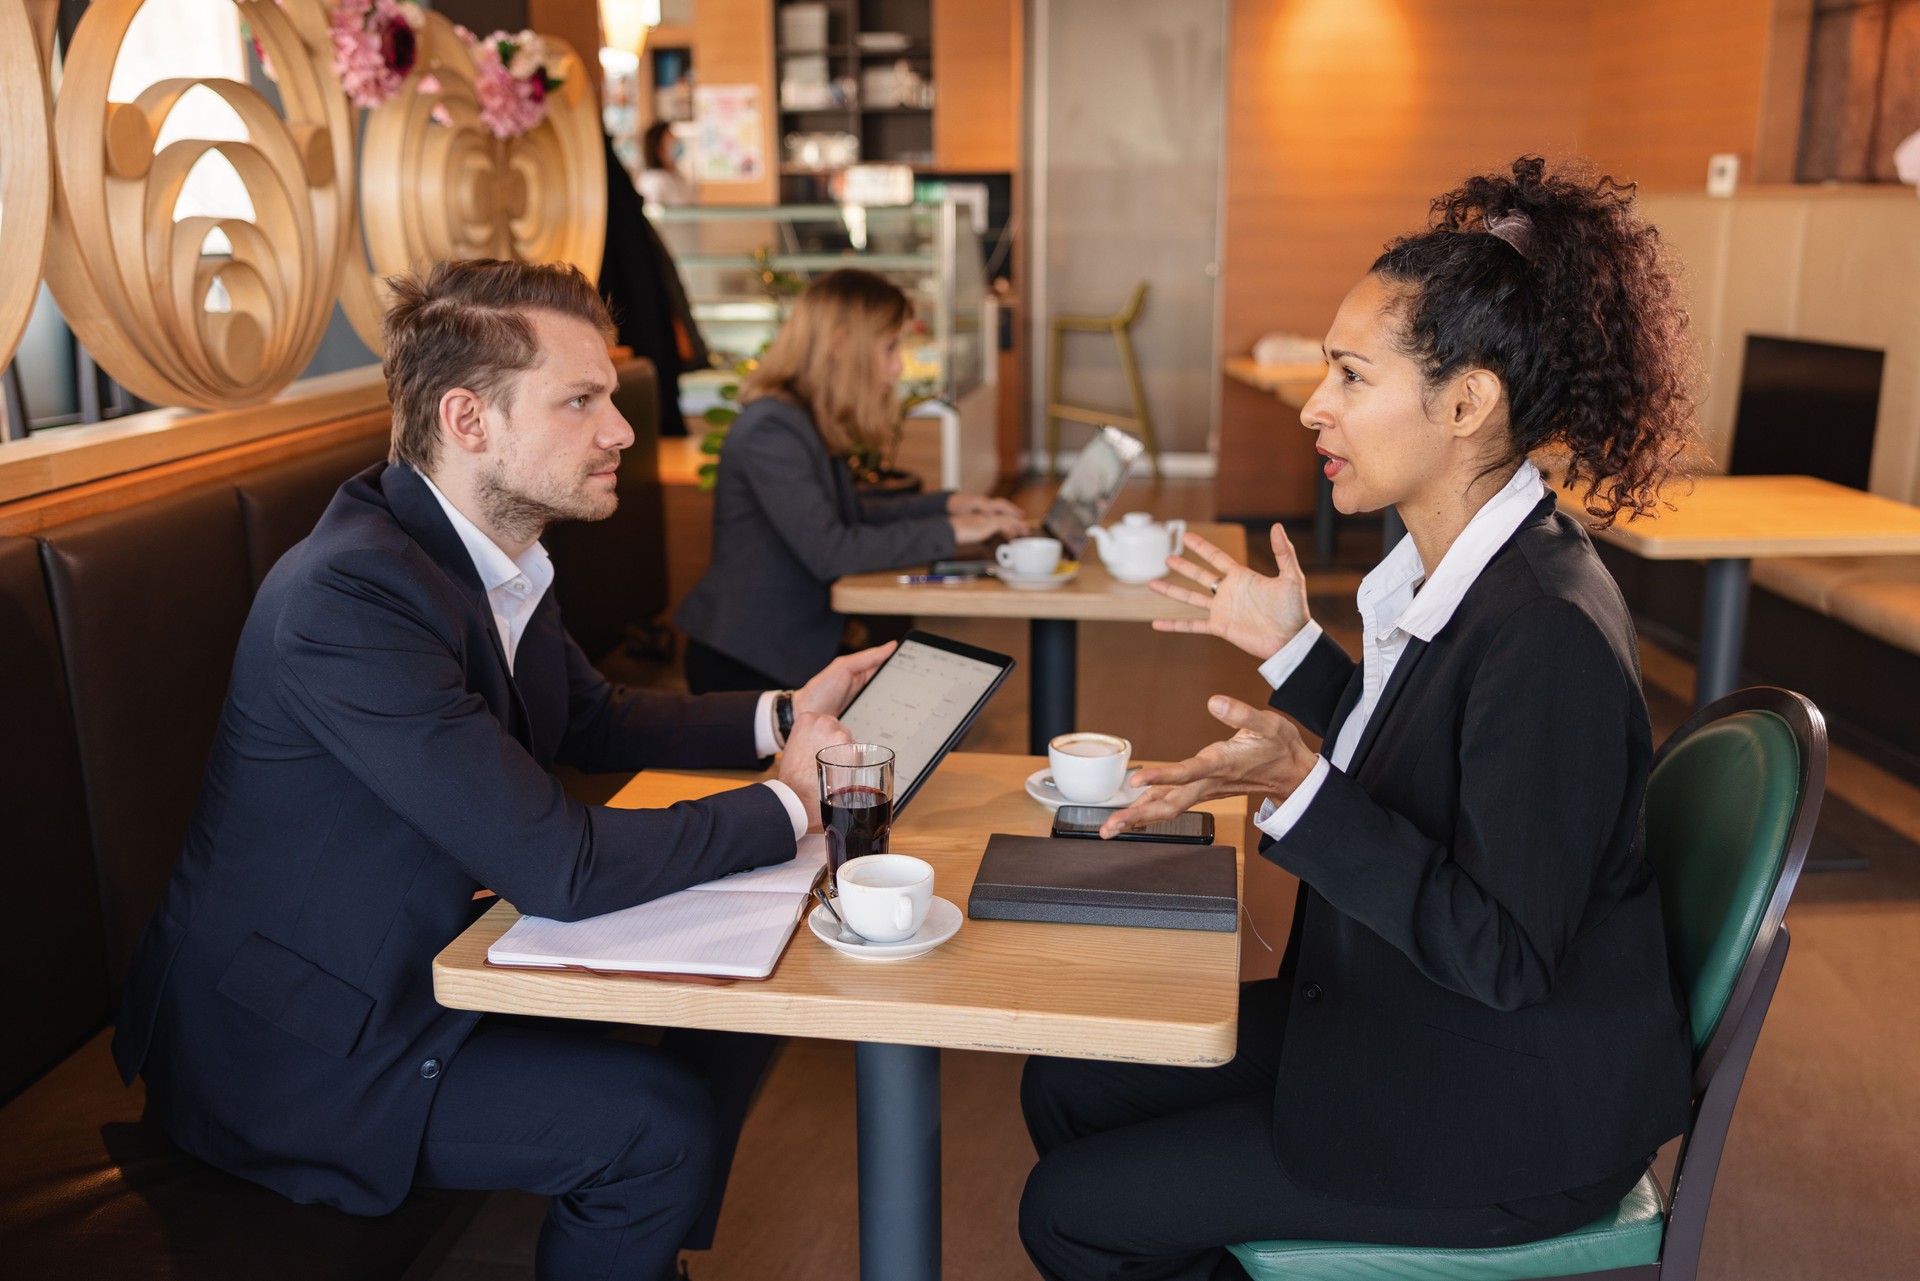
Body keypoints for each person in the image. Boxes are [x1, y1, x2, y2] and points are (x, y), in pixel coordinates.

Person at [112, 258, 888, 1281]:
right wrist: (792, 801)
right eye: (582, 401)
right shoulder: (351, 596)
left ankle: (632, 1256)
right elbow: (560, 868)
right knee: (655, 1126)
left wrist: (786, 712)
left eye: (610, 397)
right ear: (468, 421)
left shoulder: (484, 549)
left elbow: (596, 717)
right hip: (302, 1043)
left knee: (738, 1007)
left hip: (428, 959)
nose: (619, 429)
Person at [1016, 156, 1698, 1279]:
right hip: (1423, 1027)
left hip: (1503, 1114)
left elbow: (1507, 957)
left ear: (1467, 403)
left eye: (1348, 375)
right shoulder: (1476, 575)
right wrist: (1292, 649)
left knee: (1069, 1211)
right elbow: (1432, 763)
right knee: (1065, 1080)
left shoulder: (1547, 631)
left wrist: (1303, 788)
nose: (1311, 405)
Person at [676, 268, 1028, 693]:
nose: (898, 366)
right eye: (890, 347)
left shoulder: (801, 416)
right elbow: (832, 550)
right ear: (841, 345)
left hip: (782, 648)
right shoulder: (772, 430)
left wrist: (948, 506)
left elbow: (850, 512)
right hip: (749, 663)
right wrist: (953, 531)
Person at [638, 120, 696, 207]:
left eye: (676, 141)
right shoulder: (652, 181)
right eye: (672, 143)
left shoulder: (680, 177)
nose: (677, 145)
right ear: (659, 149)